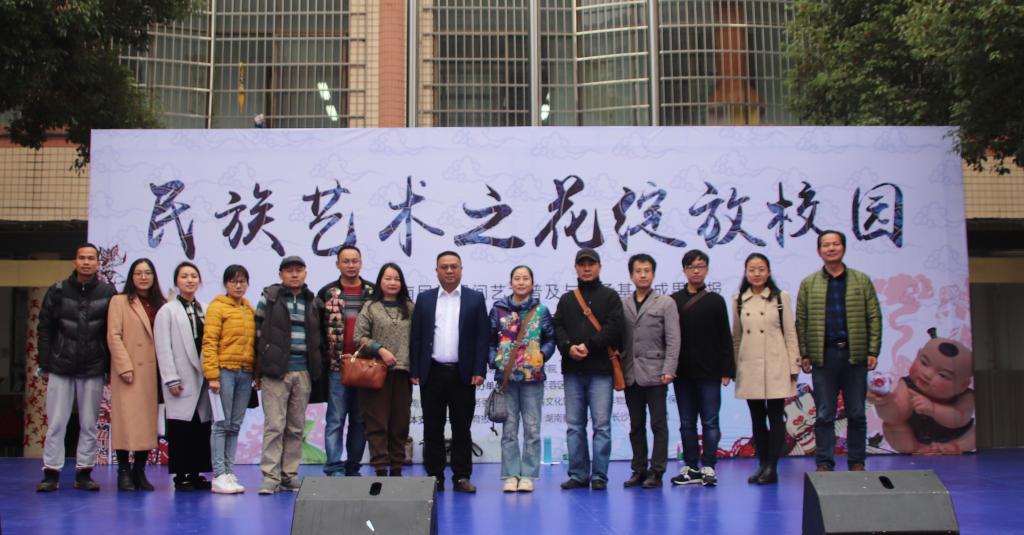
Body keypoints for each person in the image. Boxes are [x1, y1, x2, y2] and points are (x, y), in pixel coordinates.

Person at [796, 230, 882, 472]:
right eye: (826, 245)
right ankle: (824, 462)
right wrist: (805, 353)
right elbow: (801, 321)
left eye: (835, 244)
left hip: (854, 355)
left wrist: (873, 349)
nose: (831, 248)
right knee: (824, 413)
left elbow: (874, 317)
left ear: (843, 248)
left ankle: (857, 462)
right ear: (819, 251)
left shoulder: (861, 280)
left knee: (856, 412)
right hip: (824, 356)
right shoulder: (809, 284)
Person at [36, 243, 116, 492]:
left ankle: (84, 472)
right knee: (56, 422)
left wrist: (109, 367)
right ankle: (51, 473)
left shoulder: (108, 292)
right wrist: (45, 364)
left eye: (91, 258)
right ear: (75, 262)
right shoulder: (58, 290)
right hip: (61, 365)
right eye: (82, 258)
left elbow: (112, 332)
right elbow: (45, 329)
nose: (86, 262)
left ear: (98, 263)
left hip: (93, 366)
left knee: (89, 424)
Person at [410, 251, 489, 493]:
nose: (449, 270)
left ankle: (461, 476)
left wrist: (479, 369)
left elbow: (482, 338)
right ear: (436, 271)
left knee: (461, 427)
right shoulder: (424, 299)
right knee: (432, 427)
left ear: (461, 269)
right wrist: (415, 369)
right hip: (432, 372)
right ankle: (434, 476)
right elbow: (416, 336)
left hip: (462, 374)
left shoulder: (475, 299)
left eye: (454, 266)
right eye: (444, 267)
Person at [553, 248, 624, 491]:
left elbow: (614, 328)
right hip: (573, 371)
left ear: (599, 267)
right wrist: (568, 347)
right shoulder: (567, 299)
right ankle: (578, 474)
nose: (586, 268)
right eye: (582, 264)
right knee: (574, 426)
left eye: (591, 264)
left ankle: (599, 476)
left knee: (601, 426)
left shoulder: (610, 297)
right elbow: (557, 327)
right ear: (576, 268)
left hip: (601, 371)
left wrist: (589, 345)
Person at [256, 255, 323, 494]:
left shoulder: (313, 301)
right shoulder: (270, 298)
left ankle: (289, 474)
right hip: (275, 372)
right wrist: (260, 368)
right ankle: (270, 476)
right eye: (289, 271)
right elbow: (257, 333)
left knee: (295, 427)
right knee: (274, 425)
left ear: (305, 273)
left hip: (303, 371)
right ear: (281, 274)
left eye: (298, 270)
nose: (294, 274)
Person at [731, 253, 800, 485]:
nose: (757, 274)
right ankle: (762, 464)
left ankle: (772, 466)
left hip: (775, 364)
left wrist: (794, 365)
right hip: (750, 366)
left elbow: (790, 333)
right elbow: (737, 338)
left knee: (776, 416)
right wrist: (736, 367)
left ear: (769, 272)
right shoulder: (739, 300)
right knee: (757, 418)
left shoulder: (780, 298)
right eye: (752, 269)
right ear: (746, 272)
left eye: (761, 269)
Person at [488, 265, 556, 493]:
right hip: (506, 378)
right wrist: (494, 360)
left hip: (532, 378)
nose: (521, 282)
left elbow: (550, 339)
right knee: (509, 429)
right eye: (517, 278)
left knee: (532, 429)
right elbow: (489, 341)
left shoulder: (541, 311)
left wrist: (542, 354)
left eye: (525, 278)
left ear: (532, 283)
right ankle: (510, 475)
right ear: (510, 283)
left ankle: (528, 475)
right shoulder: (498, 309)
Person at [670, 249, 734, 487]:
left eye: (701, 266)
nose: (696, 271)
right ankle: (691, 467)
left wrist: (727, 369)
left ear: (707, 269)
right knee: (687, 423)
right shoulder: (674, 301)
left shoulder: (716, 301)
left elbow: (725, 337)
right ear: (684, 270)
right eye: (691, 267)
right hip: (683, 372)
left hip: (710, 372)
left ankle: (709, 466)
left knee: (710, 421)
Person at [621, 254, 680, 489]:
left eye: (647, 271)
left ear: (653, 274)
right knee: (636, 425)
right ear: (631, 275)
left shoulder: (665, 303)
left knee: (658, 425)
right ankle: (639, 469)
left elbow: (673, 340)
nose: (643, 275)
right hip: (631, 374)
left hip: (656, 373)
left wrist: (669, 369)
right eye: (638, 271)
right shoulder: (624, 304)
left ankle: (656, 471)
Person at [154, 261, 214, 491]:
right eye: (184, 276)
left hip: (203, 376)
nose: (190, 280)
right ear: (177, 282)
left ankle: (197, 473)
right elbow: (163, 347)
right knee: (181, 426)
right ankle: (181, 475)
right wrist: (171, 378)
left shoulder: (206, 308)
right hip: (181, 376)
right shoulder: (167, 310)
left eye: (193, 276)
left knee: (201, 425)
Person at [107, 258, 165, 492]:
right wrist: (124, 366)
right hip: (129, 370)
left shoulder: (161, 303)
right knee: (126, 421)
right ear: (131, 277)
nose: (143, 277)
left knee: (147, 423)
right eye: (138, 273)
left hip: (154, 371)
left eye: (148, 273)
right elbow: (114, 335)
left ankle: (139, 470)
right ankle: (123, 470)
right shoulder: (120, 301)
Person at [353, 263, 415, 477]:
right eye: (388, 278)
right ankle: (380, 468)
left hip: (403, 373)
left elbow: (419, 338)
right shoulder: (370, 307)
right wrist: (380, 350)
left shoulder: (410, 307)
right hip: (375, 374)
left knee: (400, 424)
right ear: (380, 281)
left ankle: (397, 469)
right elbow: (359, 337)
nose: (392, 282)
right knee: (376, 423)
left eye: (397, 278)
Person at [316, 245, 372, 477]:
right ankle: (333, 466)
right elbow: (317, 330)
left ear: (361, 263)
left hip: (365, 367)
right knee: (336, 419)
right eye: (346, 261)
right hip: (336, 367)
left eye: (355, 261)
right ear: (337, 264)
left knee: (360, 420)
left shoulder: (372, 292)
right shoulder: (326, 293)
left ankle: (353, 466)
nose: (351, 265)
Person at [202, 264, 256, 494]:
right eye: (233, 281)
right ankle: (219, 474)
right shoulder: (217, 307)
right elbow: (209, 342)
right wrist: (213, 375)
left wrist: (256, 374)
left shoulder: (249, 309)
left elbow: (255, 343)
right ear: (225, 284)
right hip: (224, 372)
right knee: (221, 424)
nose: (238, 285)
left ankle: (229, 472)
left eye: (242, 281)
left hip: (245, 373)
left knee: (235, 425)